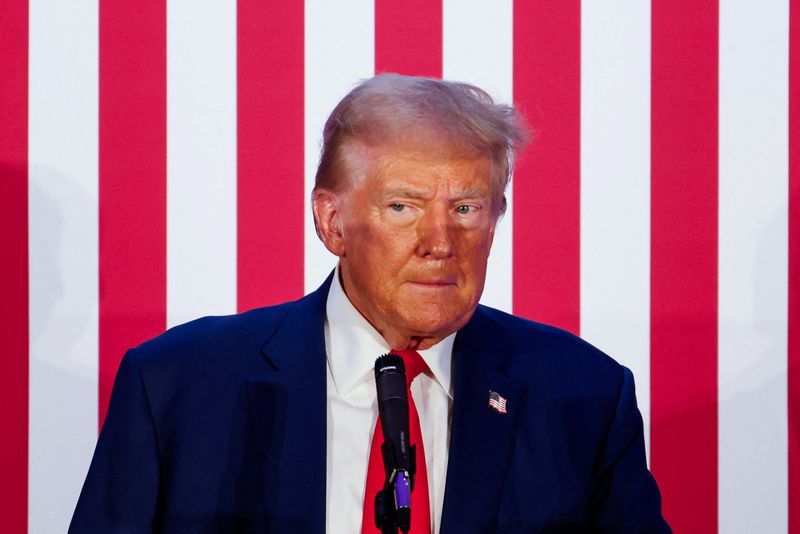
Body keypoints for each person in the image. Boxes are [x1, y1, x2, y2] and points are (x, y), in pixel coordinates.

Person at [70, 74, 670, 533]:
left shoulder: (582, 396)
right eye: (403, 207)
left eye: (467, 209)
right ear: (332, 223)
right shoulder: (179, 386)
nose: (440, 244)